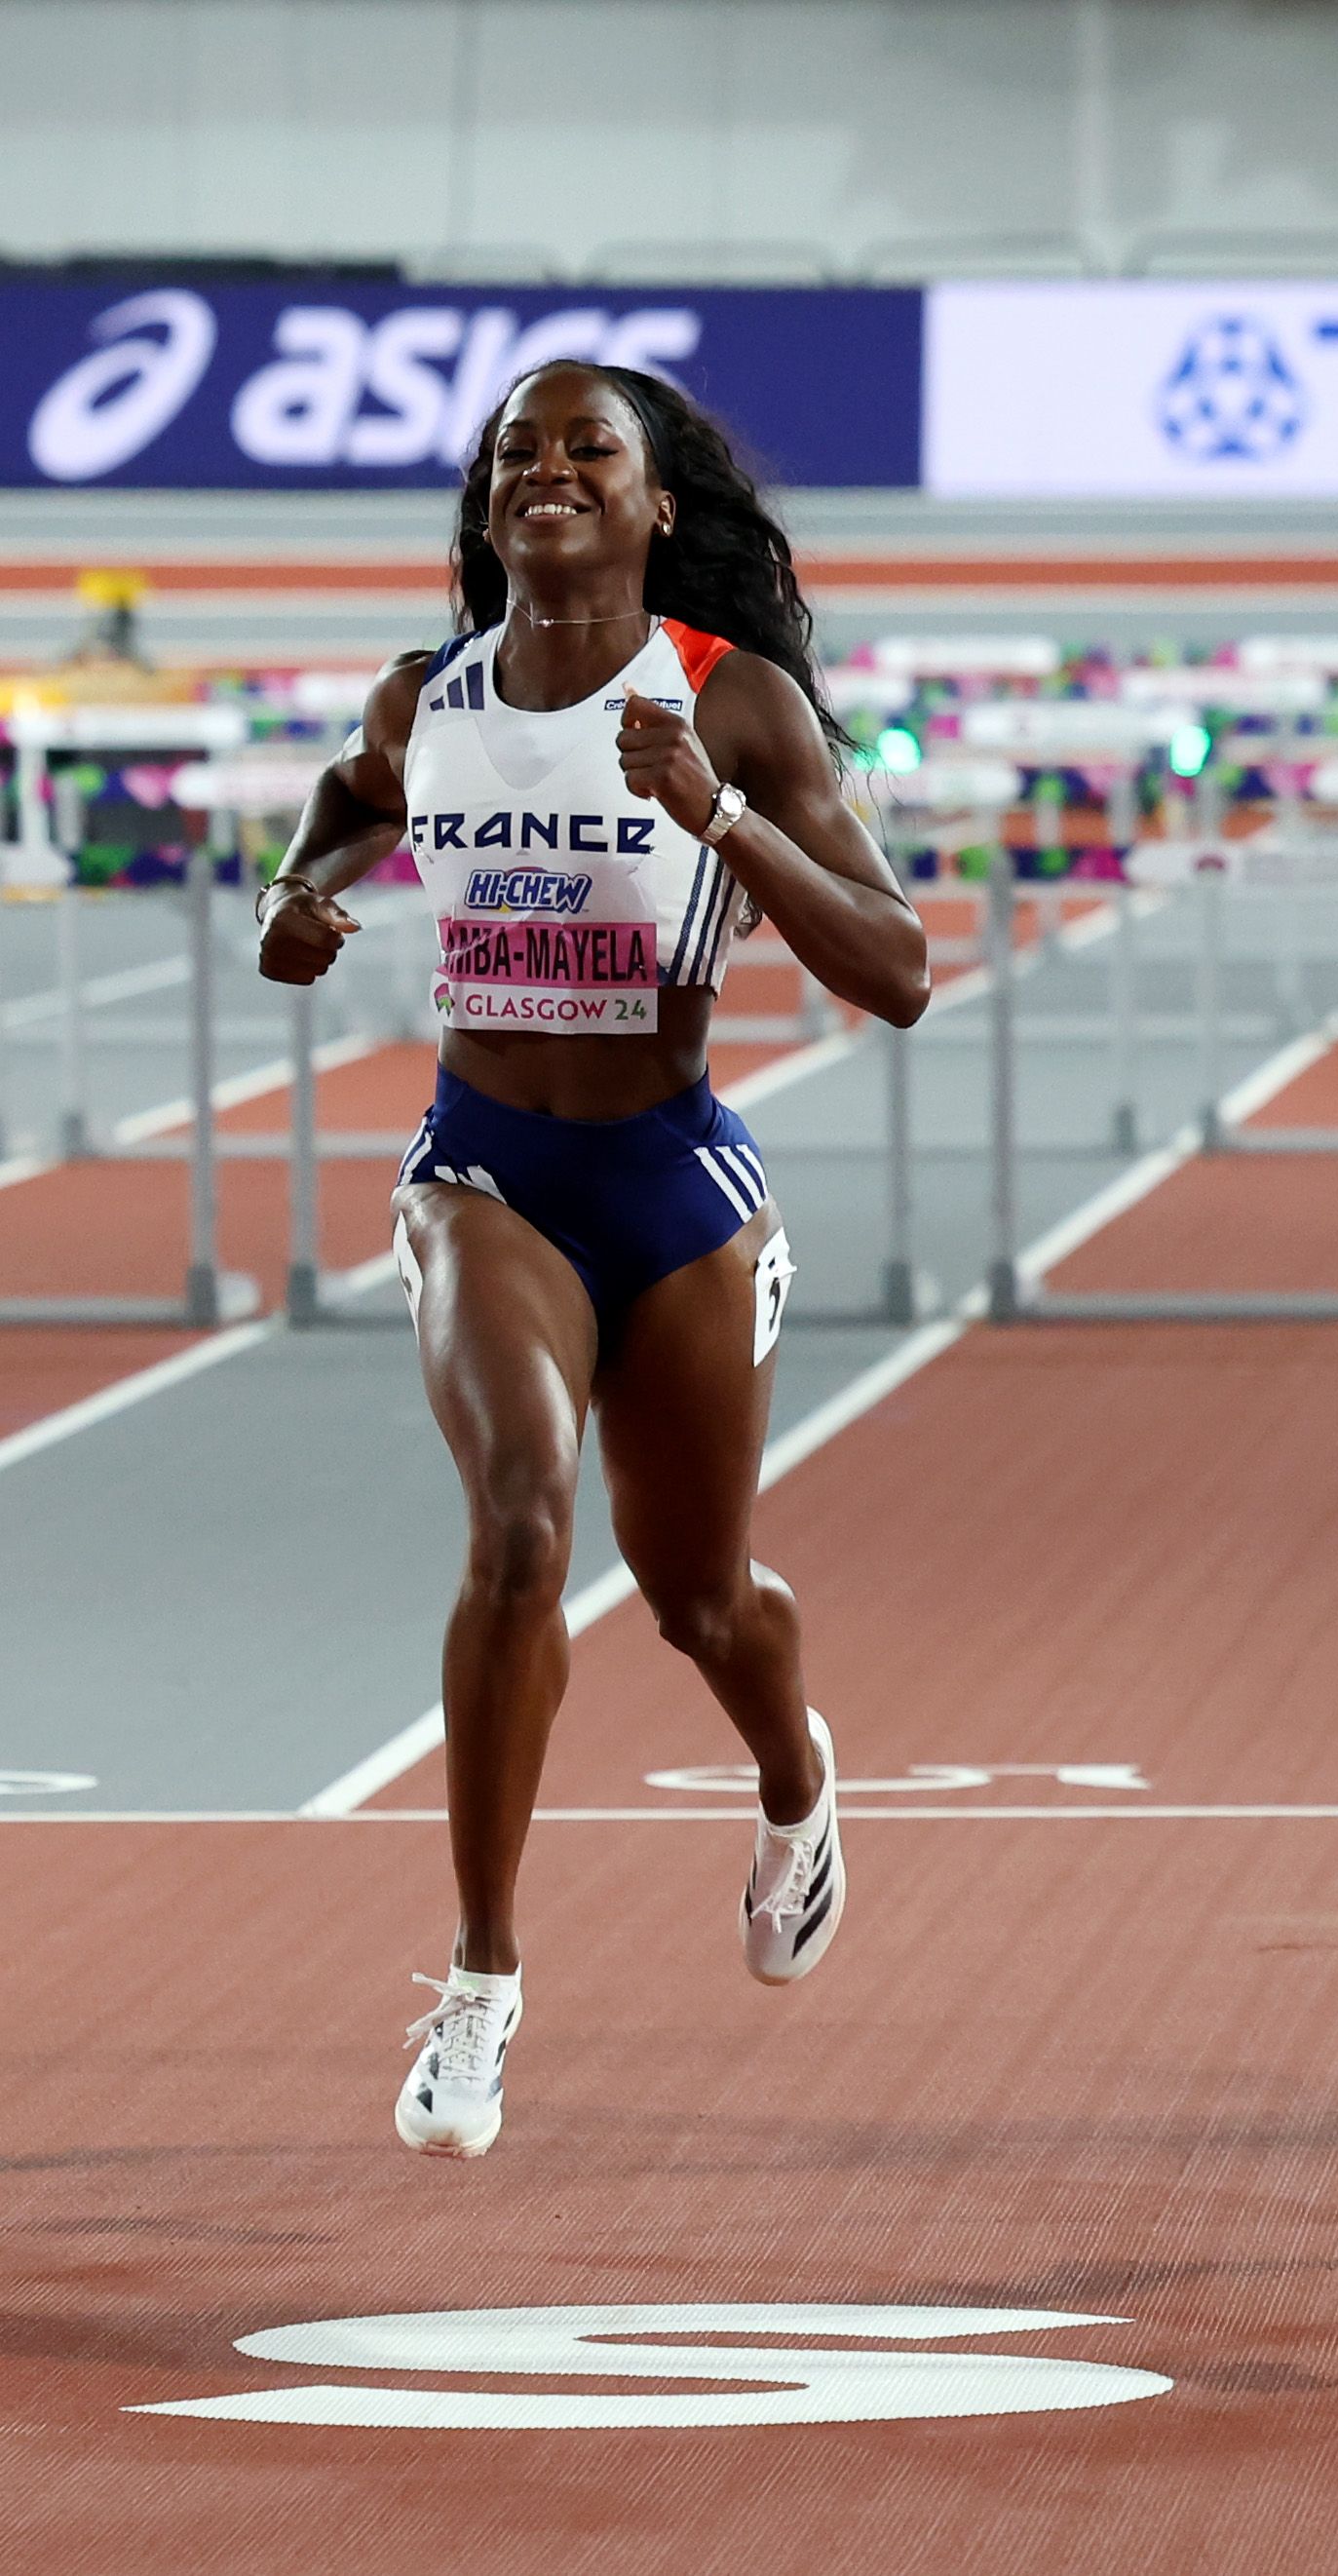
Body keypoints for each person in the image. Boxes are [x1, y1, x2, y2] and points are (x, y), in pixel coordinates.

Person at [255, 361, 930, 2157]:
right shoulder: (433, 696)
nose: (549, 471)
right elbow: (341, 804)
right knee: (522, 1529)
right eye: (518, 453)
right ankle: (479, 1983)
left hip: (677, 1179)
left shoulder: (737, 699)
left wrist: (722, 815)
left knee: (699, 1593)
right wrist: (297, 897)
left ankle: (795, 1780)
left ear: (658, 511)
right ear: (491, 513)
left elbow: (900, 969)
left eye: (590, 450)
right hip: (488, 1169)